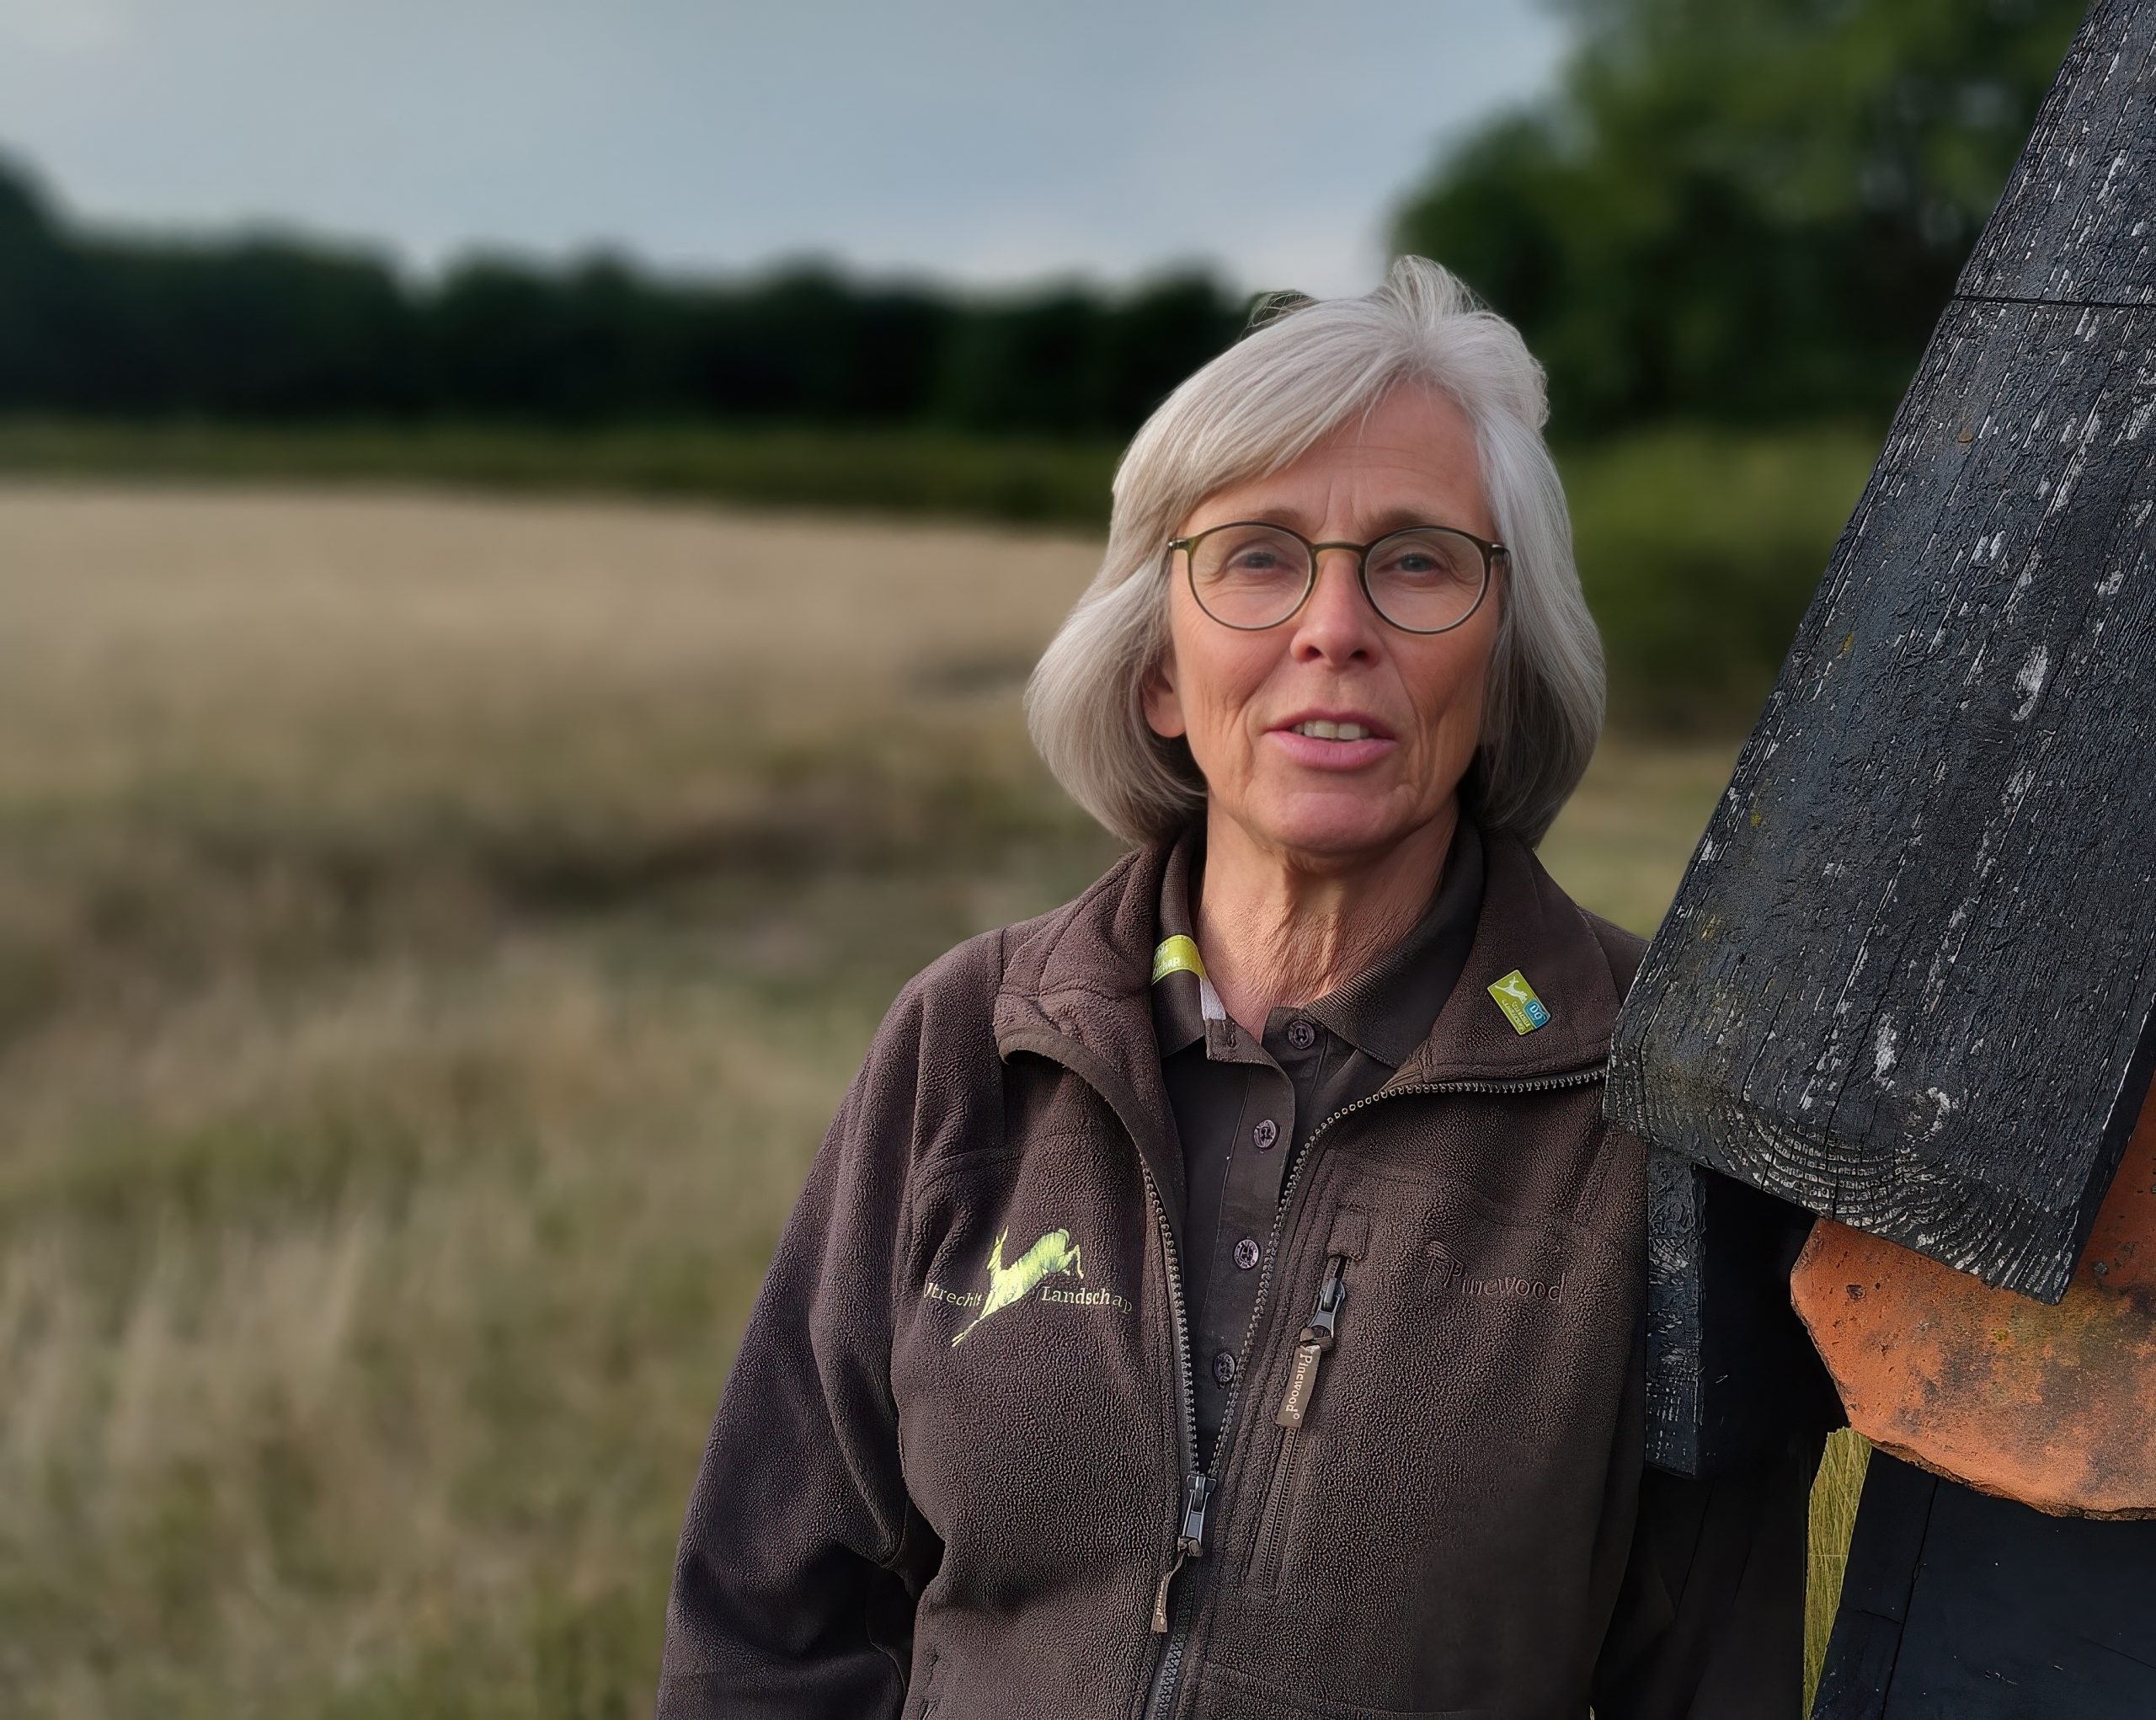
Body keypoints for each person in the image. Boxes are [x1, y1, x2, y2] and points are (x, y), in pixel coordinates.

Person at [656, 258, 1814, 1719]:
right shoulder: (968, 1040)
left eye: (1417, 561)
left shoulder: (1657, 1103)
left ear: (1504, 663)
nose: (1335, 626)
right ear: (1159, 670)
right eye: (1259, 557)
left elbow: (1714, 1681)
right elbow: (767, 1625)